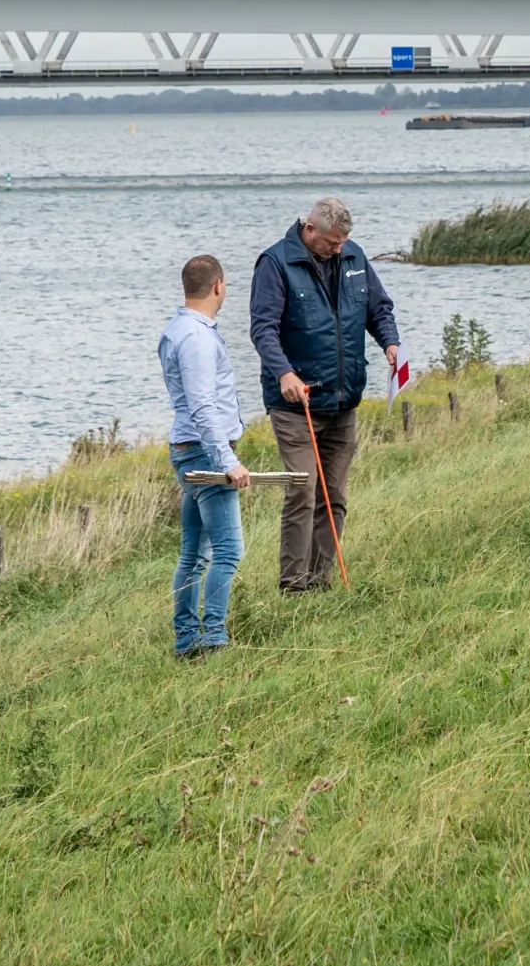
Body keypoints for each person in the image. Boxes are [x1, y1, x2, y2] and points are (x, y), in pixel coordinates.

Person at [248, 194, 404, 592]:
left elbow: (378, 309)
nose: (338, 249)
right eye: (332, 242)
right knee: (303, 490)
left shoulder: (353, 257)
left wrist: (389, 343)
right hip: (295, 404)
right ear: (309, 228)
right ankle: (293, 586)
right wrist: (283, 372)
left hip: (343, 399)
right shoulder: (275, 263)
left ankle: (321, 582)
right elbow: (263, 328)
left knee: (334, 496)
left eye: (342, 243)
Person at [158, 252, 250, 657]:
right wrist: (227, 461)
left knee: (194, 553)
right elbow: (201, 405)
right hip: (204, 453)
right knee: (229, 551)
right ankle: (213, 639)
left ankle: (185, 641)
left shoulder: (179, 329)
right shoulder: (195, 337)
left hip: (189, 449)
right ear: (218, 286)